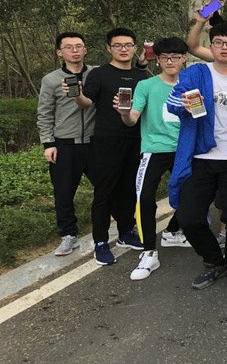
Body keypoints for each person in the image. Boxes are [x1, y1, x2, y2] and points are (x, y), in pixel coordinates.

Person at [168, 22, 227, 291]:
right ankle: (213, 260)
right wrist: (182, 105)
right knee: (188, 217)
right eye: (219, 42)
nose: (224, 47)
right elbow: (173, 102)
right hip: (201, 156)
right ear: (211, 46)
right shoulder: (196, 73)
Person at [68, 28, 148, 266]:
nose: (123, 49)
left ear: (135, 48)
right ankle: (101, 242)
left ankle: (125, 232)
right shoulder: (100, 74)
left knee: (129, 190)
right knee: (104, 192)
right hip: (106, 141)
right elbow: (86, 102)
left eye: (128, 45)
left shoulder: (142, 76)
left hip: (136, 140)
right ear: (109, 48)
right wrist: (76, 94)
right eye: (118, 45)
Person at [115, 37, 191, 281]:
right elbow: (132, 119)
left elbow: (199, 116)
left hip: (185, 149)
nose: (170, 62)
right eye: (165, 57)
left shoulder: (191, 84)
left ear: (183, 59)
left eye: (175, 57)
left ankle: (173, 231)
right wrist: (124, 113)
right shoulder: (146, 85)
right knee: (145, 198)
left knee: (193, 195)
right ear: (157, 59)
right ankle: (149, 251)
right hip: (154, 149)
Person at [37, 32, 96, 256]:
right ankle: (68, 234)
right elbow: (44, 113)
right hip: (64, 145)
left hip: (94, 143)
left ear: (85, 49)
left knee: (107, 187)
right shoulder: (51, 79)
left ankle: (122, 226)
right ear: (59, 53)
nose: (75, 50)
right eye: (69, 47)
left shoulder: (96, 74)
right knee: (63, 192)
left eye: (79, 46)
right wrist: (48, 143)